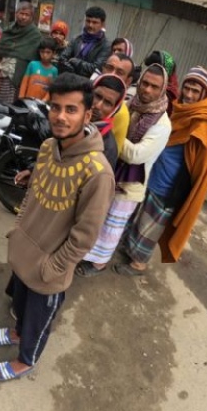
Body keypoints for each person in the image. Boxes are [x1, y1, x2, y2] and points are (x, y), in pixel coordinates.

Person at [0, 73, 115, 381]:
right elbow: (32, 196)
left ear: (88, 115)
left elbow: (85, 237)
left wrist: (52, 267)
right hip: (23, 252)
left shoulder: (98, 173)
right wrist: (19, 229)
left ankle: (25, 360)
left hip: (48, 271)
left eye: (71, 109)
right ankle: (17, 333)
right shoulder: (47, 147)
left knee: (37, 321)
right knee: (19, 308)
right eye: (55, 107)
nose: (60, 116)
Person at [115, 66, 207, 275]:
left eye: (196, 91)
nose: (189, 95)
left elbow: (202, 167)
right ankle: (129, 250)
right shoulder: (178, 109)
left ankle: (138, 264)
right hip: (154, 172)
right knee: (139, 217)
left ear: (205, 94)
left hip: (171, 185)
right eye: (188, 88)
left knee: (150, 226)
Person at [77, 64, 171, 276]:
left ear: (162, 89)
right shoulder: (130, 103)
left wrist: (111, 134)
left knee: (112, 225)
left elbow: (137, 155)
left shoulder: (162, 124)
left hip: (130, 182)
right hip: (112, 168)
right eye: (145, 83)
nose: (147, 89)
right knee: (98, 216)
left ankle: (98, 263)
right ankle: (86, 252)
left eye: (154, 87)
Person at [0, 1, 42, 104]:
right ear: (16, 14)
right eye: (21, 13)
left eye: (26, 15)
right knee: (1, 110)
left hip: (24, 83)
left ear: (31, 17)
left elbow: (40, 62)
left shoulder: (35, 36)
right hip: (4, 80)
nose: (23, 17)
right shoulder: (8, 32)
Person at [58, 6, 111, 79]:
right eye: (88, 21)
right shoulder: (77, 39)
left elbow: (96, 68)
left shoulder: (105, 45)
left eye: (95, 22)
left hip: (87, 86)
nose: (90, 25)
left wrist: (76, 62)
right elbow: (62, 58)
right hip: (69, 81)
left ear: (102, 24)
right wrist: (73, 71)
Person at [88, 73, 127, 169]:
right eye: (97, 96)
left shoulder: (107, 147)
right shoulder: (67, 120)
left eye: (107, 103)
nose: (98, 106)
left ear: (114, 110)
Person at [100, 52, 136, 153]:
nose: (112, 74)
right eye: (109, 68)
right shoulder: (89, 91)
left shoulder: (119, 112)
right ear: (103, 69)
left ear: (128, 81)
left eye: (119, 72)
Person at [18, 36, 58, 100]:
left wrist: (44, 101)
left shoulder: (54, 70)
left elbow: (51, 89)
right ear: (39, 52)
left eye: (48, 52)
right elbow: (24, 83)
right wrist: (21, 98)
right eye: (42, 52)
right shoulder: (32, 64)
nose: (45, 55)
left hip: (42, 104)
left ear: (54, 53)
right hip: (28, 101)